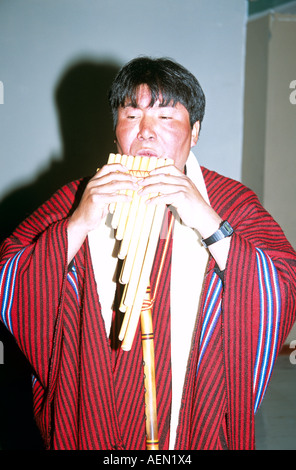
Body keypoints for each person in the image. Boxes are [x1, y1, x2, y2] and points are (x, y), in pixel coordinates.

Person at [0, 56, 296, 451]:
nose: (145, 133)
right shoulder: (76, 197)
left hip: (194, 408)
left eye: (166, 118)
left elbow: (282, 285)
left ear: (195, 132)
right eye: (131, 115)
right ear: (116, 129)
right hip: (99, 402)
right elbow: (10, 280)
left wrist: (208, 222)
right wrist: (78, 225)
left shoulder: (229, 201)